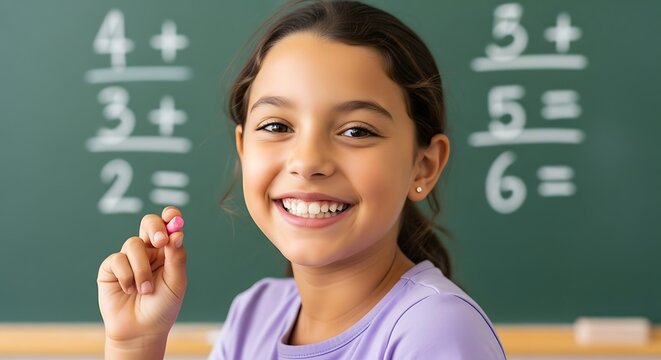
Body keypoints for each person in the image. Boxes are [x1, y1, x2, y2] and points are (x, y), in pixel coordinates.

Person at [97, 1, 507, 359]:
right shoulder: (254, 316)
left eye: (356, 131)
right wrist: (136, 344)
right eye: (276, 126)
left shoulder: (435, 331)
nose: (308, 162)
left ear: (424, 166)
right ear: (243, 149)